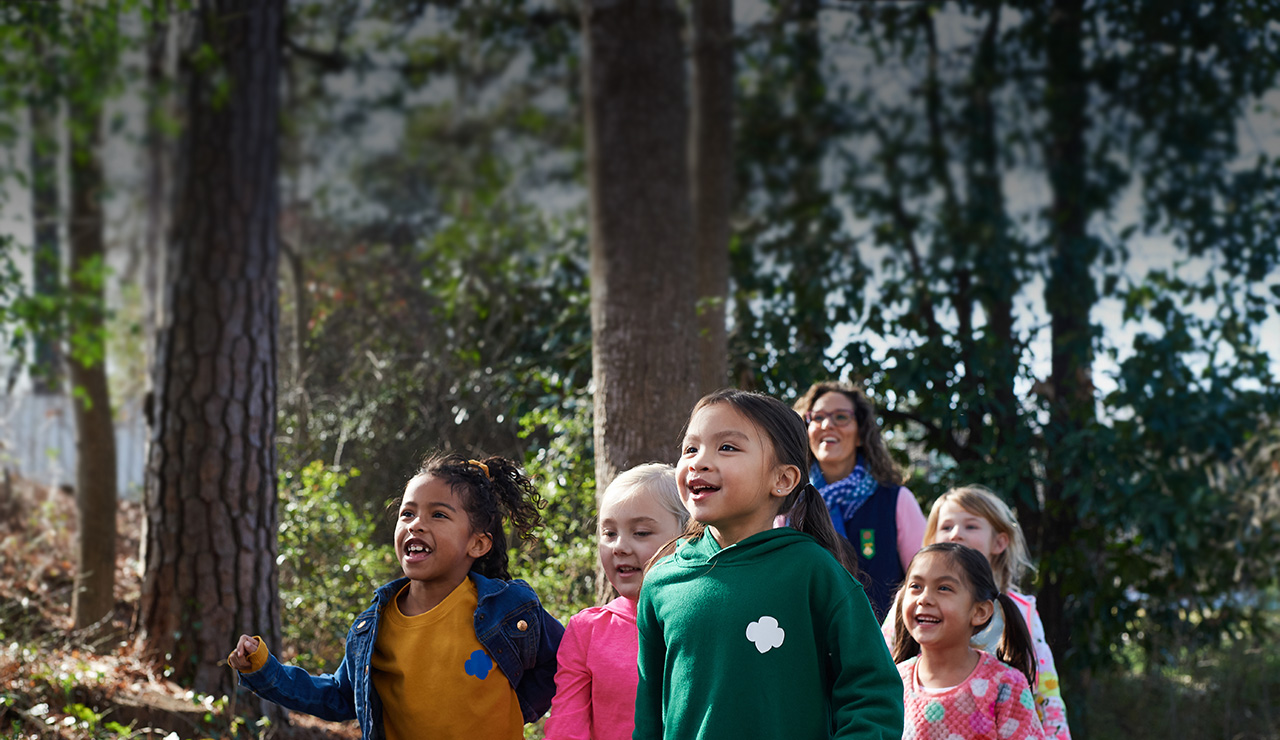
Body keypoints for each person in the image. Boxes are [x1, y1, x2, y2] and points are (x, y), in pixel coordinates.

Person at [227, 454, 565, 740]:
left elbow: (561, 659)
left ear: (477, 543)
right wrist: (265, 670)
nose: (416, 524)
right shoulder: (374, 627)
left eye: (438, 514)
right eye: (408, 513)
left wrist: (515, 708)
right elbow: (339, 696)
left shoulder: (506, 609)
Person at [633, 388, 904, 740]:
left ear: (783, 479)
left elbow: (873, 691)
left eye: (727, 447)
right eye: (690, 449)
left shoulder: (812, 571)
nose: (698, 461)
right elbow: (650, 714)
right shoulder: (662, 582)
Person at [882, 485, 1071, 740]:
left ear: (1000, 541)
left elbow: (1045, 690)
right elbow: (882, 660)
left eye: (970, 526)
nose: (956, 534)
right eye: (946, 527)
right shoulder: (909, 608)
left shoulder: (1020, 615)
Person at [544, 464, 689, 740]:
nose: (619, 546)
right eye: (609, 533)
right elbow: (567, 726)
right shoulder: (587, 630)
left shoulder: (707, 620)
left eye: (641, 532)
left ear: (687, 534)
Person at [793, 381, 927, 620]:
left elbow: (927, 580)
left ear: (861, 434)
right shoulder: (790, 504)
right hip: (808, 646)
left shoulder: (896, 501)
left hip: (882, 647)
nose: (827, 425)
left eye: (841, 417)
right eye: (818, 417)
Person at [892, 542, 1045, 740]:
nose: (924, 599)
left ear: (979, 612)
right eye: (916, 586)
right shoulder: (894, 682)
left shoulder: (1005, 685)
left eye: (944, 588)